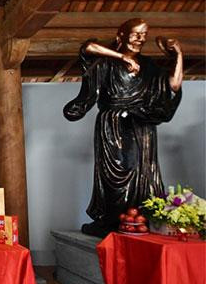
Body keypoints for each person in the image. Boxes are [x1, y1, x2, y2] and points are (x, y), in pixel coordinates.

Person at [63, 18, 183, 236]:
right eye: (136, 33)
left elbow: (173, 87)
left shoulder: (149, 66)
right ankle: (113, 218)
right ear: (121, 35)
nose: (140, 39)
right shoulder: (107, 63)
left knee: (145, 173)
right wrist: (122, 57)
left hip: (143, 125)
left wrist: (178, 55)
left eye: (144, 34)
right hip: (114, 124)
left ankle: (142, 218)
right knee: (117, 174)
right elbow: (88, 48)